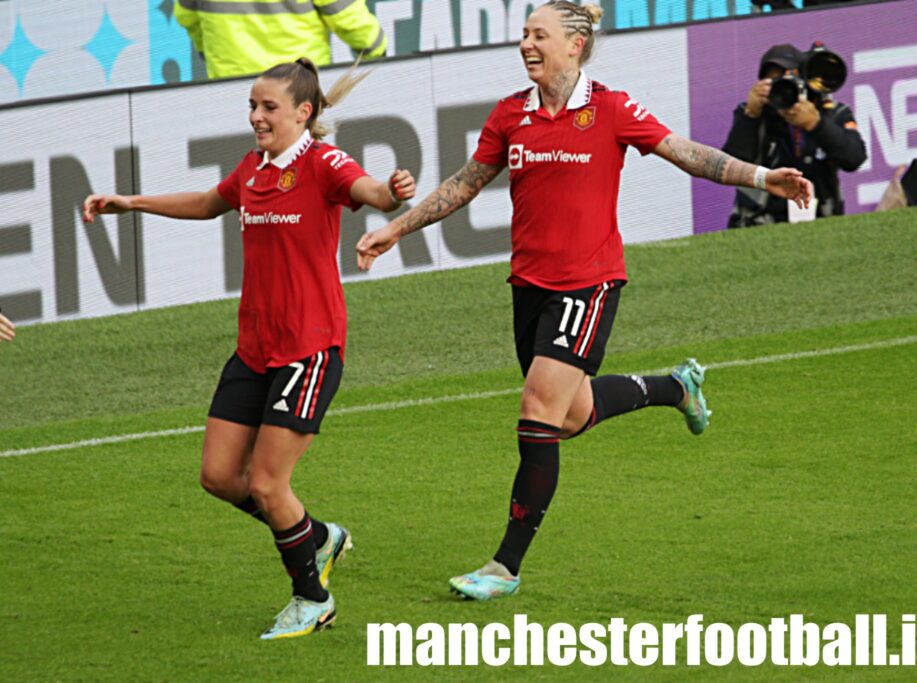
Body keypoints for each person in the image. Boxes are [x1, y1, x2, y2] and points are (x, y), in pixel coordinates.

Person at [356, 1, 811, 600]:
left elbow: (686, 152)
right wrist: (397, 228)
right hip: (529, 288)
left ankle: (505, 566)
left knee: (538, 411)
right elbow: (466, 182)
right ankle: (676, 388)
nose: (526, 45)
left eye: (538, 35)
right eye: (523, 35)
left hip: (588, 284)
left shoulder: (612, 108)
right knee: (568, 416)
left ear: (575, 44)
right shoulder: (510, 115)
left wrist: (761, 176)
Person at [83, 58, 415, 638]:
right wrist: (131, 203)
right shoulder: (253, 169)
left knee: (266, 483)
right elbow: (212, 202)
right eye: (252, 107)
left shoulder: (323, 163)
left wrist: (390, 193)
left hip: (307, 351)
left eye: (268, 108)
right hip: (254, 349)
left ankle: (313, 599)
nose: (257, 117)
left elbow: (369, 192)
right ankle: (317, 537)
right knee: (218, 476)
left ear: (302, 113)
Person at [723, 43, 867, 227]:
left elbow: (854, 158)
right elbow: (730, 169)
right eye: (776, 84)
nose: (784, 91)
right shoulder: (753, 113)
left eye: (790, 82)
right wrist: (750, 116)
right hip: (758, 222)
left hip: (822, 221)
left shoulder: (831, 113)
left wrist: (815, 124)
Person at [174, 0, 387, 79]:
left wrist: (209, 53)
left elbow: (187, 17)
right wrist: (378, 54)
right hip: (299, 90)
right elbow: (350, 19)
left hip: (232, 90)